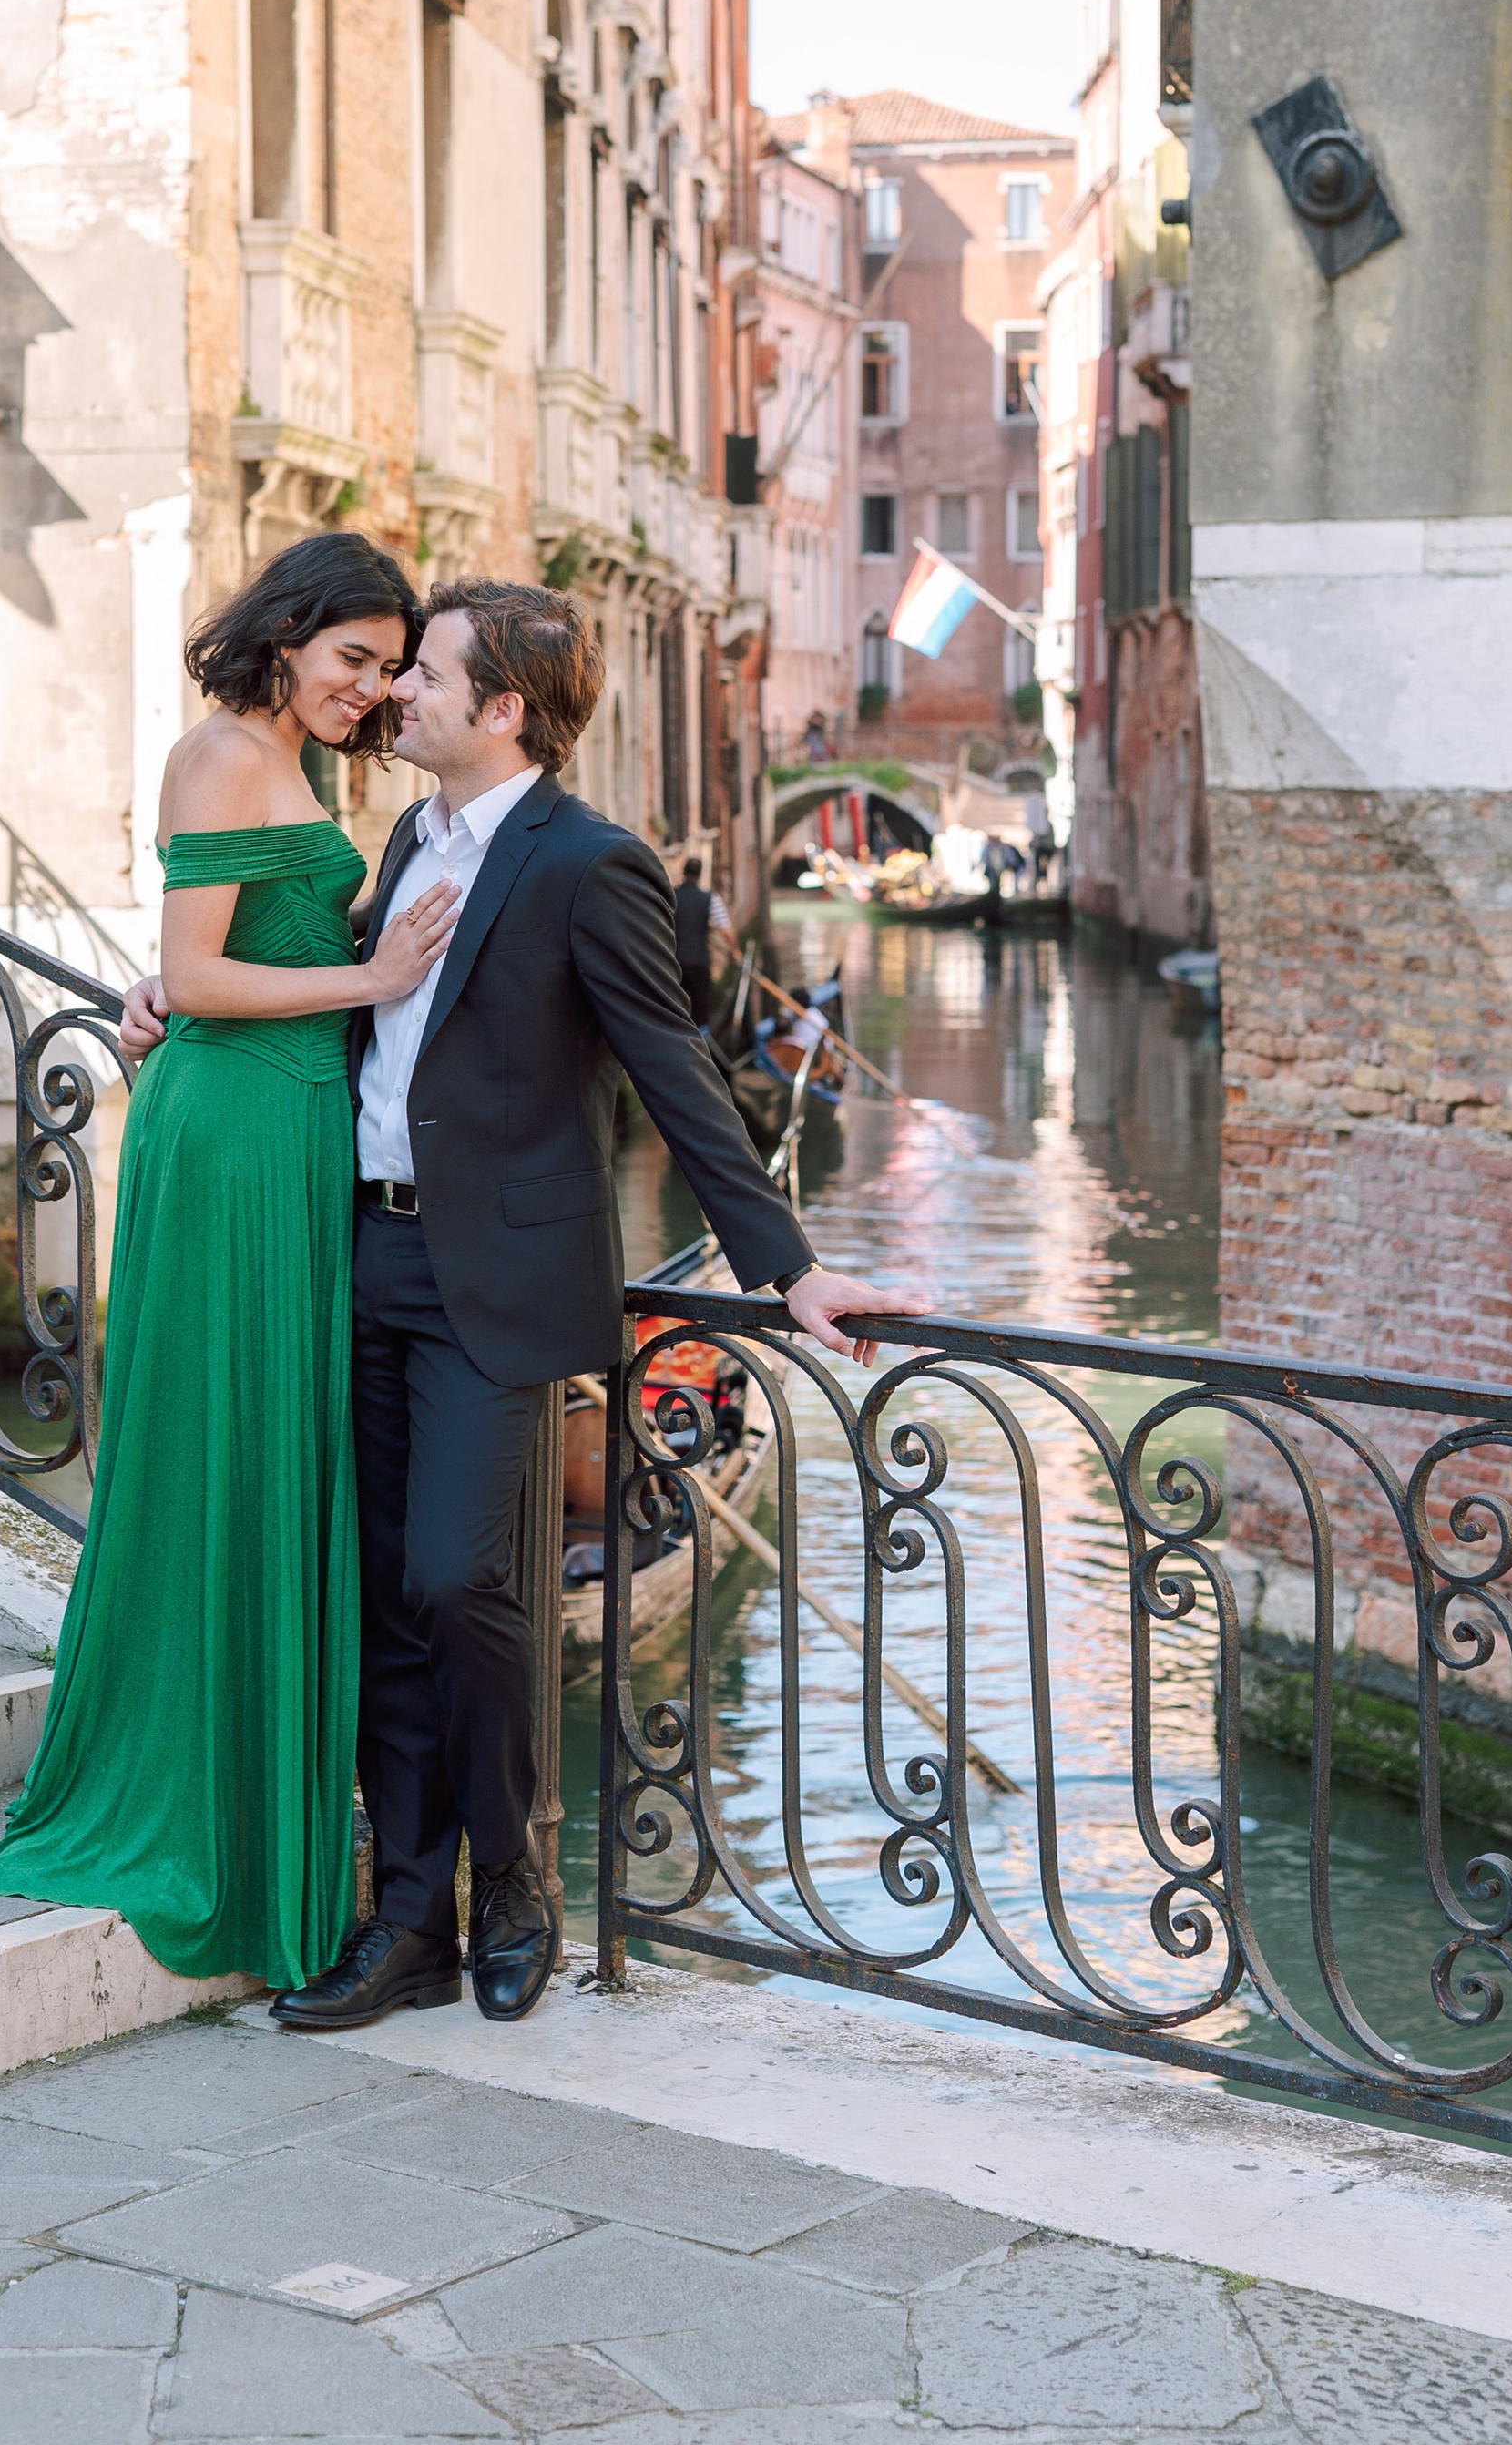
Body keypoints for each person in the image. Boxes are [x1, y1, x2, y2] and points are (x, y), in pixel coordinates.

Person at [120, 576, 928, 2031]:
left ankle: (515, 1880)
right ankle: (407, 1920)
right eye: (389, 668)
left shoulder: (589, 863)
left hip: (490, 1282)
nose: (395, 694)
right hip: (357, 1251)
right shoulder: (400, 841)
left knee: (460, 1581)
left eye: (423, 675)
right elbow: (340, 997)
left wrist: (789, 1266)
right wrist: (170, 998)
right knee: (382, 1592)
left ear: (502, 709)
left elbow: (676, 1068)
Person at [0, 533, 457, 1990]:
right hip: (234, 1137)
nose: (371, 689)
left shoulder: (291, 760)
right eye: (353, 658)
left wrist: (231, 978)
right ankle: (200, 1798)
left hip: (289, 1128)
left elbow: (222, 952)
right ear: (287, 636)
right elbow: (204, 974)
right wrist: (370, 973)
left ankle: (258, 1788)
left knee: (274, 1448)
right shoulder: (221, 754)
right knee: (225, 1443)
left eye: (390, 669)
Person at [671, 854, 730, 1029]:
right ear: (700, 875)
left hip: (674, 962)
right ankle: (701, 1037)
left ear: (684, 873)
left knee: (674, 1007)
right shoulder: (710, 898)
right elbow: (726, 929)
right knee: (700, 1009)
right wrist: (735, 951)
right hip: (699, 962)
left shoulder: (671, 896)